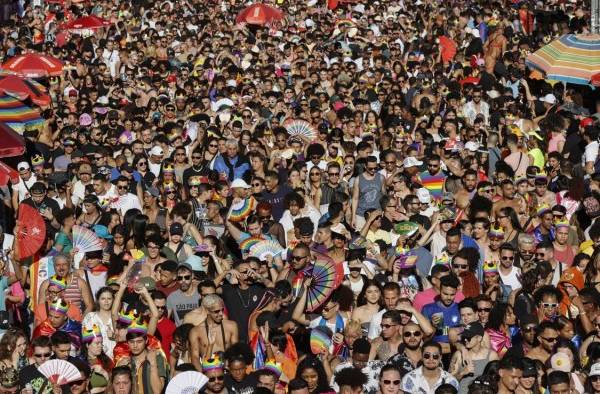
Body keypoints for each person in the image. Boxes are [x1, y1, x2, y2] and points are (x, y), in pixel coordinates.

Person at [189, 294, 238, 370]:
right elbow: (195, 357)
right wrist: (201, 376)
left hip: (228, 370)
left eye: (222, 310)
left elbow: (236, 351)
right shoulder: (196, 331)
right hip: (208, 371)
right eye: (217, 311)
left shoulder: (231, 326)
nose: (221, 314)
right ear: (207, 311)